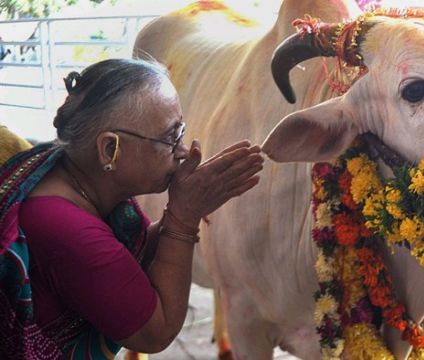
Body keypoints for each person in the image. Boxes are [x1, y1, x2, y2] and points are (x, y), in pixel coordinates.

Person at [0, 58, 264, 358]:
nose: (182, 151)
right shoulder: (64, 227)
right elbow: (155, 332)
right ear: (110, 149)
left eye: (182, 131)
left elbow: (123, 261)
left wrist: (184, 207)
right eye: (170, 137)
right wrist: (183, 218)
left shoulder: (76, 176)